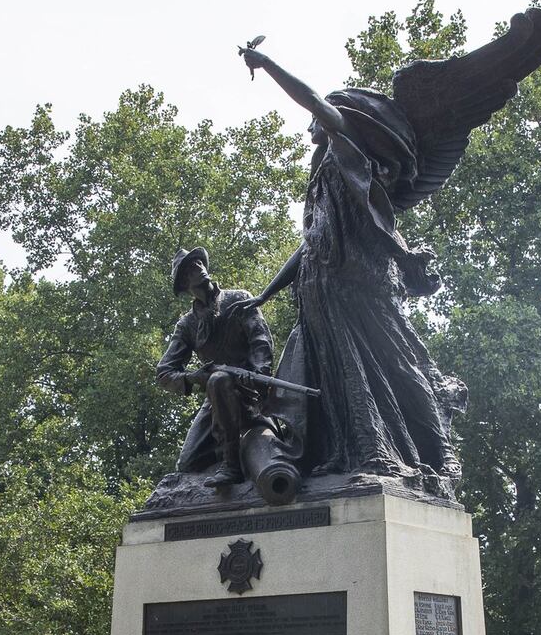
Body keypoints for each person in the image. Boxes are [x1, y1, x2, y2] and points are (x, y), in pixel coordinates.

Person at [231, 47, 467, 497]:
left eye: (321, 117)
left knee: (399, 364)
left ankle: (439, 455)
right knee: (340, 374)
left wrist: (268, 63)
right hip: (322, 286)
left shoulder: (349, 152)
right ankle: (363, 450)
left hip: (361, 281)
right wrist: (266, 294)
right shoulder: (324, 175)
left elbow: (313, 100)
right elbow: (309, 245)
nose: (311, 125)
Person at [156, 247, 275, 488]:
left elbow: (260, 342)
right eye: (190, 268)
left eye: (198, 262)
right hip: (216, 396)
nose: (198, 267)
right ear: (184, 284)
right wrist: (192, 378)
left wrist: (259, 375)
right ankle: (241, 452)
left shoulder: (239, 298)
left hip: (251, 390)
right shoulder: (187, 325)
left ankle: (232, 465)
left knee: (219, 380)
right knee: (189, 463)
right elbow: (164, 373)